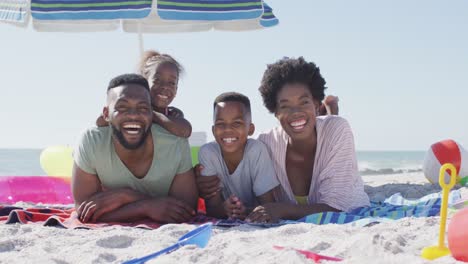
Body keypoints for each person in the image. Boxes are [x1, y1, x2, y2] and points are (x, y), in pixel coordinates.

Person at [248, 57, 370, 221]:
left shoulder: (338, 129)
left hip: (350, 207)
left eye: (304, 102)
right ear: (275, 112)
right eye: (285, 106)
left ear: (315, 103)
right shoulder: (265, 144)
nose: (295, 112)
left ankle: (330, 111)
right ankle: (329, 110)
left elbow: (338, 206)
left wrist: (282, 210)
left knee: (331, 125)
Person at [73, 74, 198, 224]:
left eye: (143, 107)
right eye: (122, 107)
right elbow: (85, 212)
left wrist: (125, 198)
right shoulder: (92, 141)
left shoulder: (175, 143)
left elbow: (186, 211)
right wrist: (145, 206)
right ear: (106, 114)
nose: (133, 115)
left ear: (152, 114)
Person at [197, 92, 279, 221]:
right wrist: (225, 208)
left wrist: (244, 210)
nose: (228, 129)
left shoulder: (256, 150)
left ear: (250, 129)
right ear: (213, 130)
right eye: (220, 124)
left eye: (237, 123)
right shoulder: (208, 153)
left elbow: (269, 206)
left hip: (256, 219)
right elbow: (212, 209)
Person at [97, 50, 192, 138]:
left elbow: (186, 131)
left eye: (171, 83)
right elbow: (100, 121)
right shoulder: (132, 110)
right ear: (145, 81)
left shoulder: (174, 116)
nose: (165, 86)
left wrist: (152, 115)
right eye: (157, 80)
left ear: (176, 89)